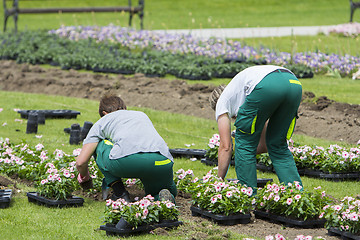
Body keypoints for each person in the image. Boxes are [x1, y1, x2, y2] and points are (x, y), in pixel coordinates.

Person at [209, 65, 303, 193]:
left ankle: (248, 196)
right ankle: (296, 194)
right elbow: (264, 146)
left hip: (267, 85)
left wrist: (218, 181)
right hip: (293, 83)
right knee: (277, 145)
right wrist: (246, 153)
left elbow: (226, 147)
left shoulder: (222, 102)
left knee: (244, 142)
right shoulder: (246, 94)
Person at [76, 93, 177, 202]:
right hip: (163, 161)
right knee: (160, 192)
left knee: (99, 144)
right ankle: (164, 198)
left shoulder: (103, 121)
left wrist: (85, 177)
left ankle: (120, 193)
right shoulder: (141, 115)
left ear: (105, 113)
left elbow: (81, 162)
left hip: (129, 162)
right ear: (125, 108)